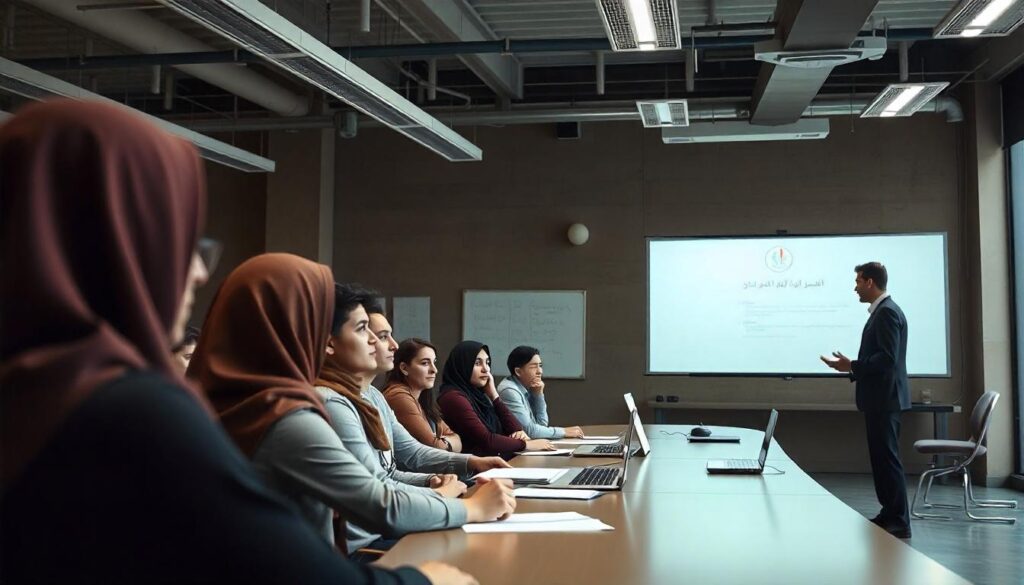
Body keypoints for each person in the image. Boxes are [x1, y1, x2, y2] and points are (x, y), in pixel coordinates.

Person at [0, 99, 470, 584]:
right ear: (115, 247)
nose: (200, 271)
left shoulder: (33, 393)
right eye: (180, 242)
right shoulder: (130, 407)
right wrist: (432, 580)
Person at [189, 256, 514, 558]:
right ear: (310, 332)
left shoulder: (229, 402)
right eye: (363, 330)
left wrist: (461, 472)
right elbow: (380, 506)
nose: (378, 342)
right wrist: (472, 508)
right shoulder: (291, 416)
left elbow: (403, 463)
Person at [314, 285, 515, 556]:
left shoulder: (372, 395)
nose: (389, 345)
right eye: (366, 331)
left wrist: (462, 466)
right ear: (329, 343)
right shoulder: (333, 402)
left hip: (387, 530)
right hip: (368, 546)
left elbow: (400, 463)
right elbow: (379, 500)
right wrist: (446, 497)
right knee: (482, 552)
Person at [821, 262, 911, 539]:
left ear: (870, 282)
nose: (855, 287)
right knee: (882, 460)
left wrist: (852, 366)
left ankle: (898, 520)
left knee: (888, 459)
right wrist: (852, 367)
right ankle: (889, 513)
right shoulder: (884, 312)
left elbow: (887, 358)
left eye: (858, 281)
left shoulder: (886, 314)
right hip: (880, 399)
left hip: (884, 399)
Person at [438, 341, 555, 457]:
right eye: (477, 363)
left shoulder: (477, 395)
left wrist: (494, 396)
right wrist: (526, 444)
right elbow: (488, 441)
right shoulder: (453, 397)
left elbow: (516, 429)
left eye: (487, 363)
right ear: (463, 365)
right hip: (473, 471)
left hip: (491, 464)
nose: (486, 369)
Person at [384, 338, 463, 452]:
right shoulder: (398, 396)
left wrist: (443, 442)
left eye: (434, 362)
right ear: (404, 368)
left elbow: (457, 439)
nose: (434, 370)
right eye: (425, 363)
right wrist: (446, 443)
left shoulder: (422, 398)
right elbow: (436, 447)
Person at [497, 346, 585, 440]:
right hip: (511, 453)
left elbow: (541, 425)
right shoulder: (509, 391)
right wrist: (563, 432)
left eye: (540, 366)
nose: (540, 371)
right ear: (518, 371)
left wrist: (538, 395)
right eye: (534, 367)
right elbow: (530, 431)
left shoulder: (526, 386)